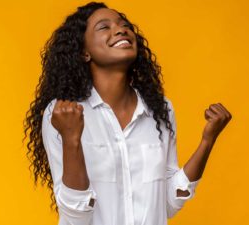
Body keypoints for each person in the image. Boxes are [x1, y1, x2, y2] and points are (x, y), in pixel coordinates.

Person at [23, 2, 232, 225]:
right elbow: (76, 217)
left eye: (125, 25)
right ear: (84, 52)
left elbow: (169, 202)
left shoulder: (160, 110)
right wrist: (71, 139)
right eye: (104, 27)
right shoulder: (62, 114)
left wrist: (207, 141)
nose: (121, 30)